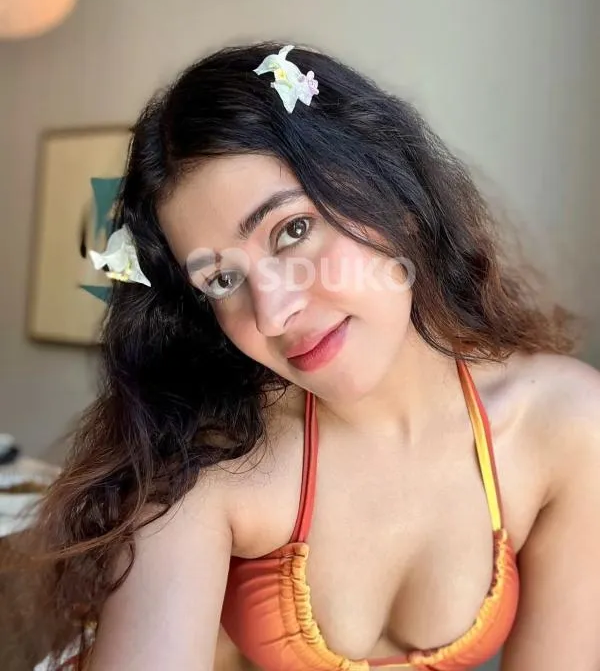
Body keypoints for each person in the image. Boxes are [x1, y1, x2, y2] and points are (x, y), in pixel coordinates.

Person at [28, 43, 600, 671]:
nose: (273, 314)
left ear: (397, 197)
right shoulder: (214, 465)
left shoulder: (564, 423)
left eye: (292, 231)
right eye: (222, 280)